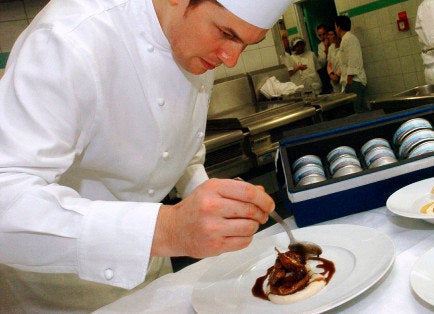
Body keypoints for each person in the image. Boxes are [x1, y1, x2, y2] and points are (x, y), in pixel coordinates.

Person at [0, 0, 292, 311]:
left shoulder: (196, 45)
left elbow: (180, 148)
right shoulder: (69, 38)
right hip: (58, 288)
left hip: (151, 270)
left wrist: (208, 199)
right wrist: (168, 228)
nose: (230, 59)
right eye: (226, 33)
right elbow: (7, 200)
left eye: (247, 44)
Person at [334, 15, 368, 113]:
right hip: (350, 81)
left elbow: (353, 59)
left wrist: (349, 80)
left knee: (359, 110)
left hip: (354, 81)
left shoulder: (349, 39)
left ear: (339, 27)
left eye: (335, 26)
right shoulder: (345, 39)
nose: (335, 29)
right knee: (357, 110)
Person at [315, 24, 333, 94]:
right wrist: (326, 47)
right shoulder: (320, 46)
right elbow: (322, 63)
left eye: (324, 34)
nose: (322, 37)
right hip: (328, 72)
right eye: (320, 35)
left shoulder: (334, 41)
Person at [326, 29, 342, 93]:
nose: (328, 37)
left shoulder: (343, 47)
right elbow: (329, 64)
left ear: (337, 35)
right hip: (334, 80)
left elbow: (346, 63)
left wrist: (338, 75)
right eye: (328, 35)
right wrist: (331, 75)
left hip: (343, 78)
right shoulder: (331, 48)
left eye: (331, 34)